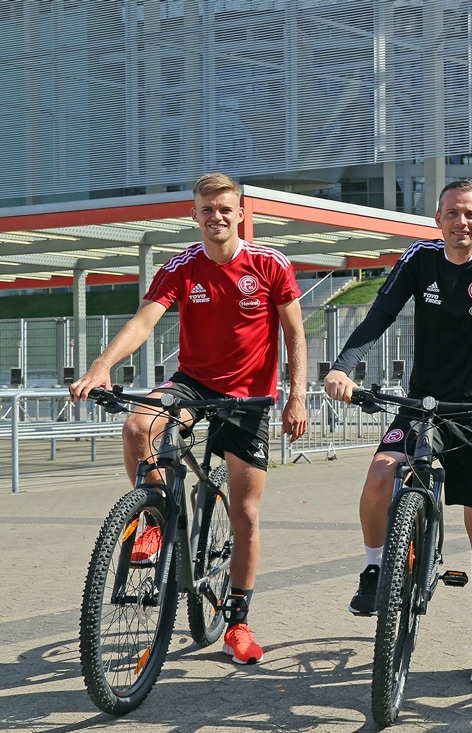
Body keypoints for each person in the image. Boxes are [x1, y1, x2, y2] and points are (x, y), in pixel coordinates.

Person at [70, 172, 309, 665]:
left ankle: (237, 623)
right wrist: (101, 366)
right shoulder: (182, 267)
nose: (216, 216)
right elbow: (144, 319)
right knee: (139, 425)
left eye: (226, 208)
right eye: (207, 209)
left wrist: (297, 396)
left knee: (243, 514)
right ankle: (155, 517)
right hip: (194, 383)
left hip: (250, 397)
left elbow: (295, 336)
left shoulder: (270, 264)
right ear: (194, 214)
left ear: (241, 211)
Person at [323, 179, 472, 684]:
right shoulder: (419, 257)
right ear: (437, 219)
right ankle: (375, 568)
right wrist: (342, 367)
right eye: (451, 214)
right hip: (424, 406)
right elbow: (379, 315)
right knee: (379, 477)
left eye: (470, 215)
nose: (460, 222)